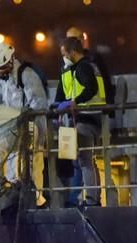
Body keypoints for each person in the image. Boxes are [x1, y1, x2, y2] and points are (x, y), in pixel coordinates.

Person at [0, 42, 49, 207]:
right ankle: (10, 196)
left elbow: (39, 104)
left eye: (3, 66)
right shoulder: (2, 78)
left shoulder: (27, 75)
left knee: (33, 165)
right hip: (12, 129)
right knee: (9, 162)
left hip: (31, 127)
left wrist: (27, 119)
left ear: (11, 60)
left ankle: (37, 202)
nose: (1, 71)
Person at [55, 36, 107, 207]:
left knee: (84, 159)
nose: (63, 57)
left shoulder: (84, 68)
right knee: (76, 160)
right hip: (76, 119)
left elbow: (91, 89)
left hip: (88, 118)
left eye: (64, 54)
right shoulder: (74, 69)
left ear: (72, 52)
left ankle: (92, 199)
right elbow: (64, 93)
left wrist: (74, 102)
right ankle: (79, 197)